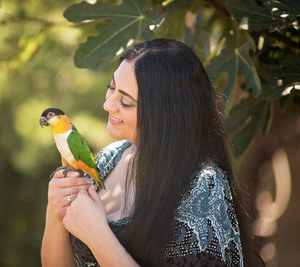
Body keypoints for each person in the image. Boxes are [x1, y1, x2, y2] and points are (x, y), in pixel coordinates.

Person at [41, 38, 249, 266]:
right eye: (111, 88)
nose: (108, 105)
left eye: (126, 101)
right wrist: (55, 211)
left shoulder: (204, 187)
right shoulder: (108, 159)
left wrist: (97, 236)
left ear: (163, 115)